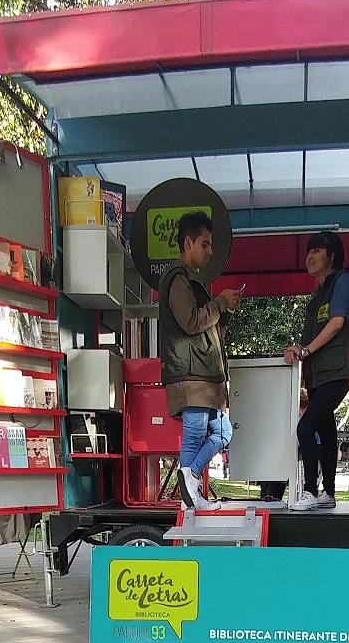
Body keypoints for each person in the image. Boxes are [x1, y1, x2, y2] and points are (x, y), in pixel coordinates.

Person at [159, 211, 242, 511]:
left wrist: (225, 308)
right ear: (189, 242)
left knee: (223, 433)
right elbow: (192, 323)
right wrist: (219, 302)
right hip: (191, 375)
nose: (210, 251)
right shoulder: (178, 279)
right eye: (205, 244)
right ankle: (189, 493)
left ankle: (189, 483)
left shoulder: (190, 281)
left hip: (205, 376)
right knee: (198, 433)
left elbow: (206, 328)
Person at [285, 231, 349, 511]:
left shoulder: (343, 282)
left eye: (317, 250)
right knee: (327, 432)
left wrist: (305, 351)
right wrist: (299, 348)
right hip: (316, 376)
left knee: (305, 428)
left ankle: (310, 491)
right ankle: (328, 492)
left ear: (332, 255)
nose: (309, 257)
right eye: (308, 251)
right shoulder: (316, 295)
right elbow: (313, 337)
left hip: (336, 373)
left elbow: (337, 322)